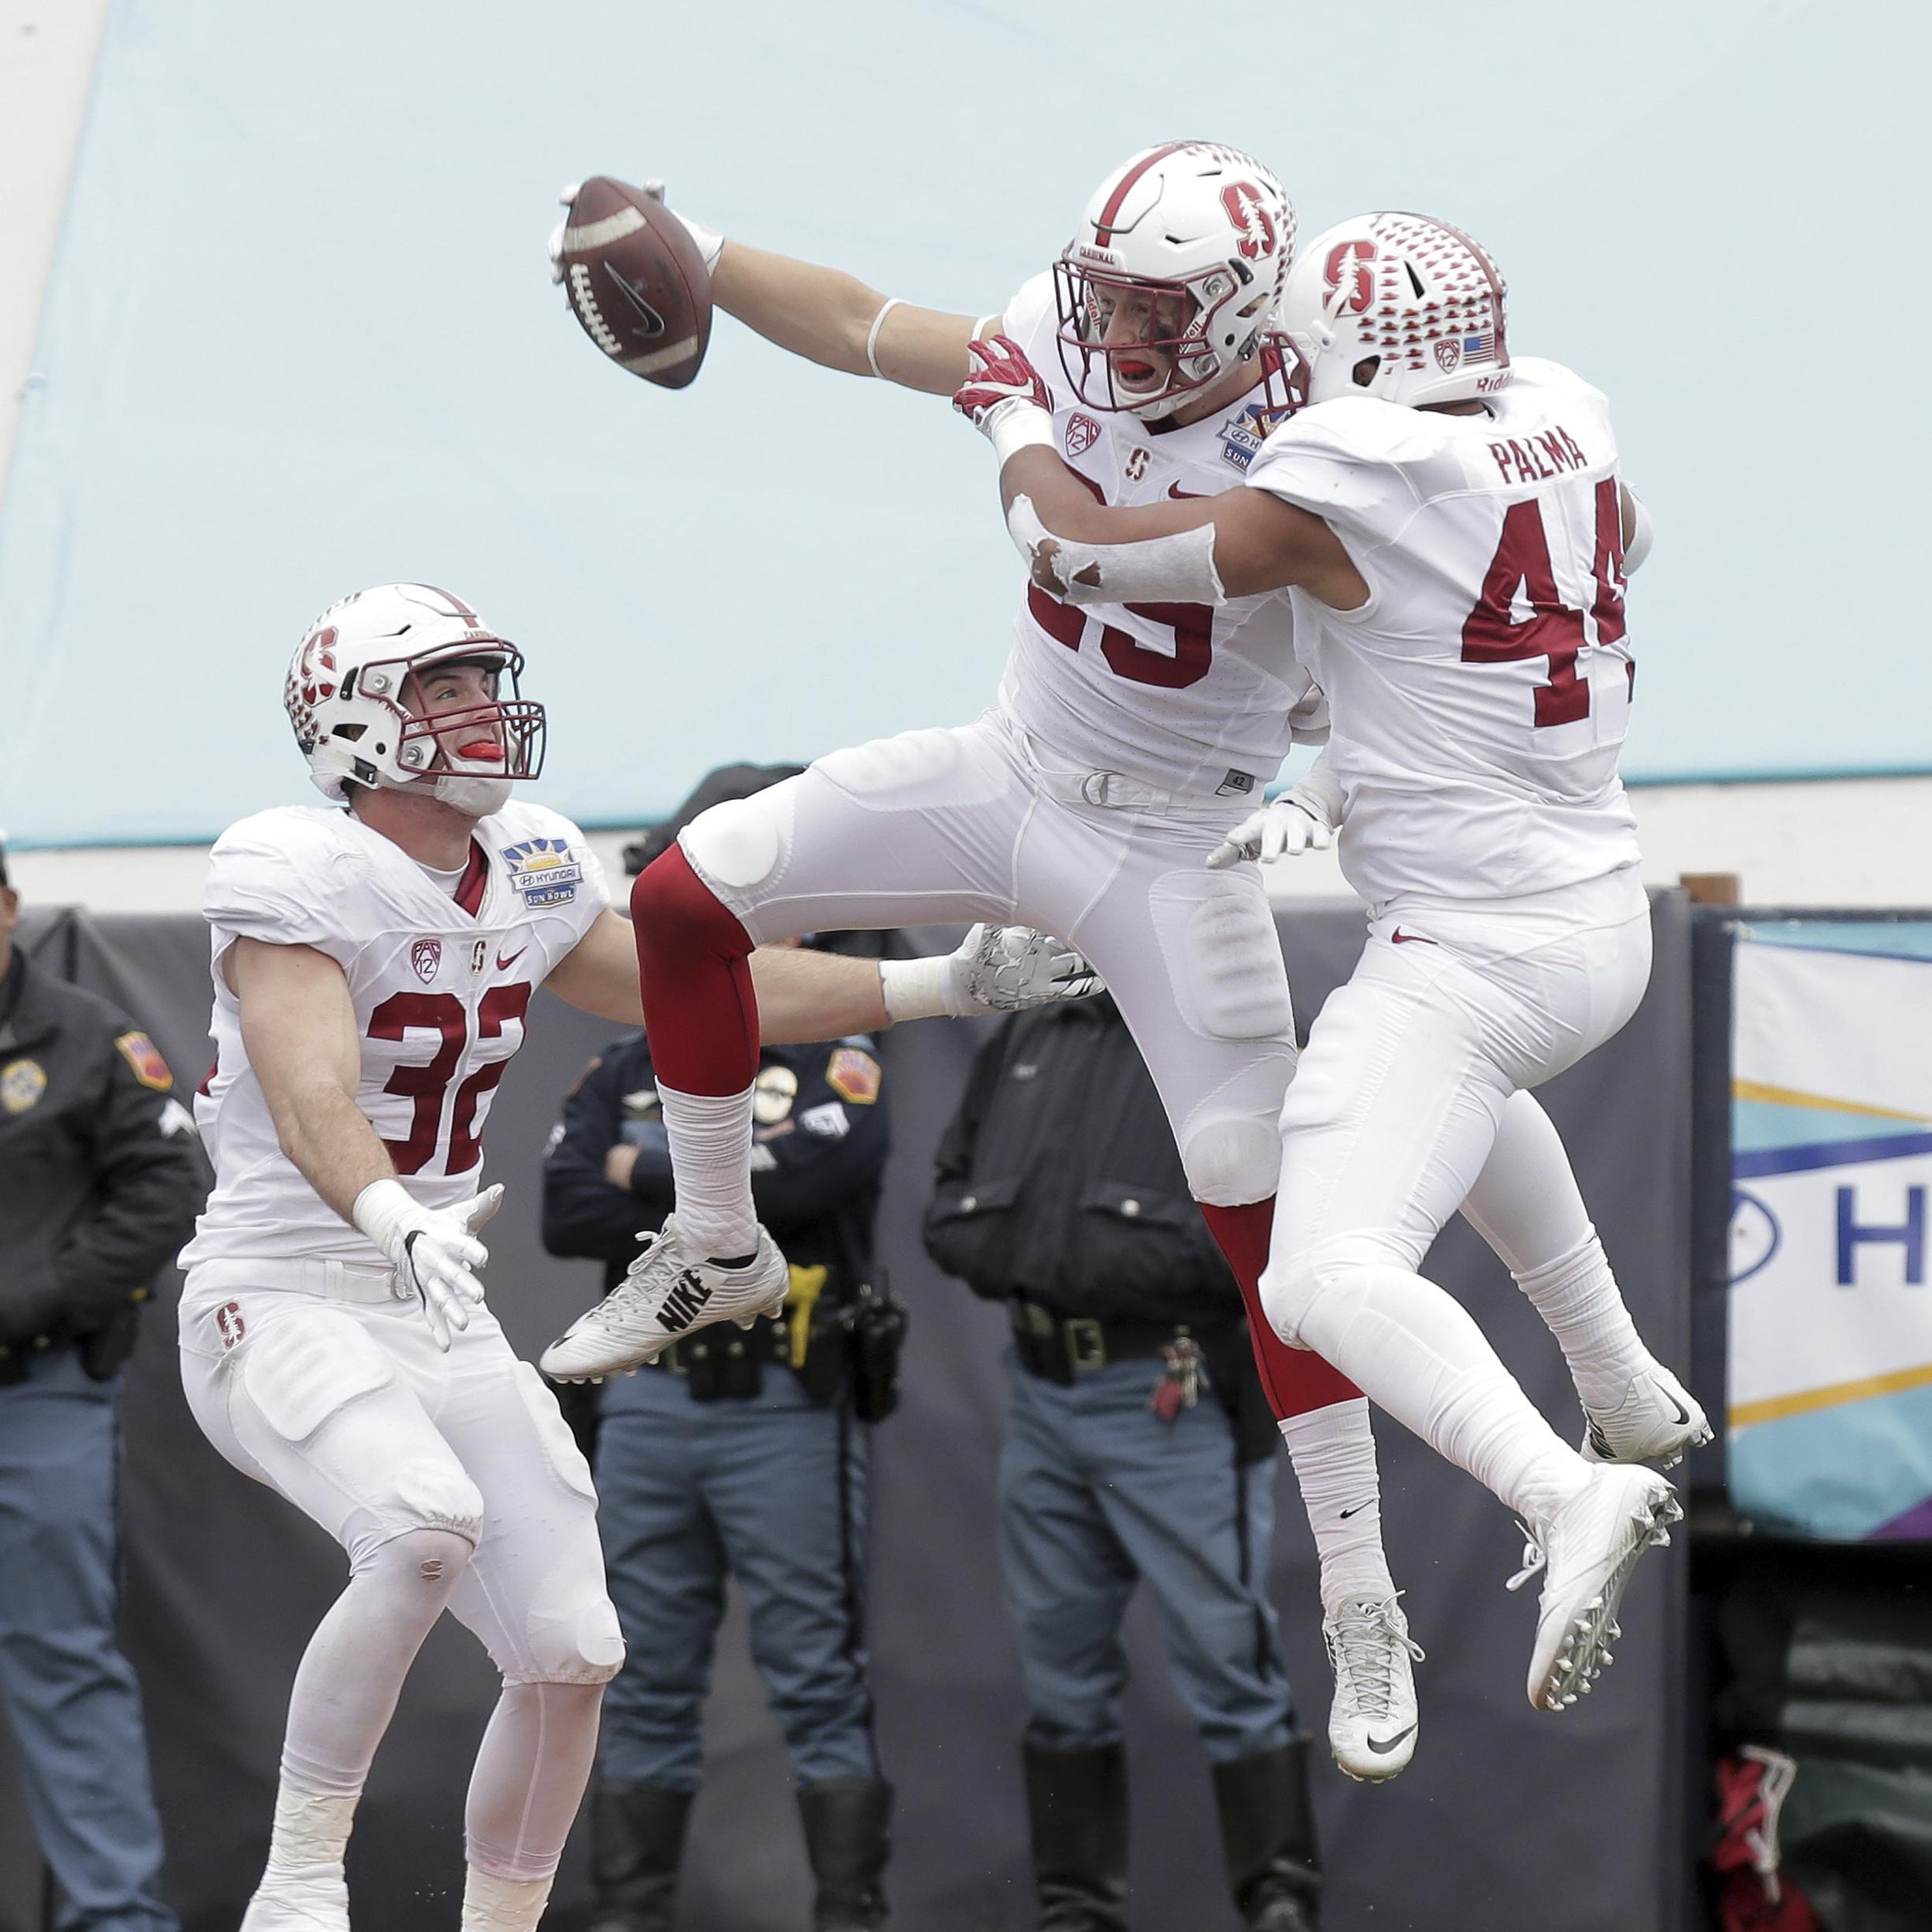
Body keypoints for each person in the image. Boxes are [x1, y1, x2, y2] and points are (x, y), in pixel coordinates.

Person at [541, 145, 1703, 1770]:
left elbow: (1085, 542)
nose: (1114, 330)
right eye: (1105, 293)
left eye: (1158, 307)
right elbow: (875, 322)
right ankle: (719, 1230)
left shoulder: (1329, 431)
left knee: (1271, 1234)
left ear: (1255, 310)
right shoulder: (1086, 333)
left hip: (1182, 844)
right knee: (679, 898)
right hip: (1009, 774)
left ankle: (1361, 1598)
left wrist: (1323, 690)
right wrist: (704, 250)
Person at [173, 583, 1096, 1932]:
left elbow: (692, 993)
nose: (484, 708)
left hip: (433, 1298)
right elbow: (312, 1089)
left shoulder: (532, 860)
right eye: (442, 687)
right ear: (353, 723)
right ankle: (302, 1880)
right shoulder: (290, 868)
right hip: (283, 1286)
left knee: (573, 1649)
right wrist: (390, 1215)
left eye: (488, 678)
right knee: (425, 1533)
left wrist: (937, 984)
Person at [951, 209, 1702, 1712]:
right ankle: (1619, 1383)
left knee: (1316, 1273)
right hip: (1594, 903)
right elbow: (1612, 551)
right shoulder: (1565, 408)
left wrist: (1017, 429)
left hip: (1471, 942)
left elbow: (1088, 562)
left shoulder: (1346, 469)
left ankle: (1556, 1486)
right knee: (1465, 1094)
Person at [542, 769, 900, 1932]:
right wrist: (715, 1178)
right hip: (649, 1411)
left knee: (814, 1680)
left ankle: (849, 1915)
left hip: (786, 1411)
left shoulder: (840, 1041)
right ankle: (629, 1915)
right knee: (634, 1676)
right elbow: (558, 1206)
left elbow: (819, 1177)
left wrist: (639, 1171)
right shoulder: (634, 1047)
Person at [926, 990, 1320, 1932]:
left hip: (1171, 1388)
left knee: (1228, 1659)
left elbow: (1276, 1226)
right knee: (1057, 1669)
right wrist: (1053, 1251)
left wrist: (1098, 1254)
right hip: (1042, 1387)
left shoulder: (1223, 1036)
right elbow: (949, 1200)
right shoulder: (1030, 1027)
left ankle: (1281, 1904)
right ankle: (1076, 1912)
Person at [0, 839, 206, 1932]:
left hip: (36, 1398)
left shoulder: (84, 1039)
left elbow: (170, 1184)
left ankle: (116, 1918)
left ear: (9, 909)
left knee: (60, 1663)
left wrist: (40, 1298)